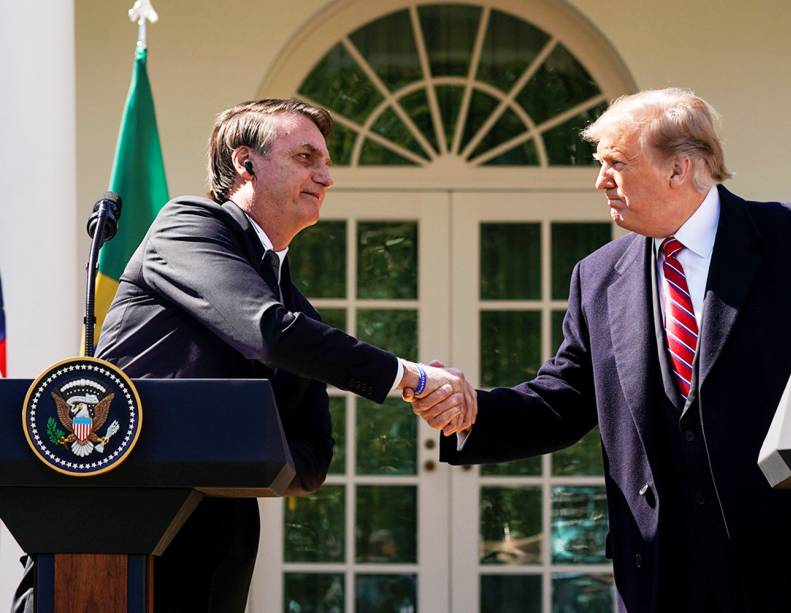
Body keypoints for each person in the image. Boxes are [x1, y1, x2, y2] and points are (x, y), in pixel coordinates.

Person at [410, 88, 791, 612]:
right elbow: (562, 400)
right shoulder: (598, 275)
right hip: (663, 578)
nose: (600, 180)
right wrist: (470, 411)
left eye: (615, 163)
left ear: (680, 169)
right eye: (598, 163)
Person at [10, 99, 474, 613]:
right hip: (112, 530)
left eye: (326, 161)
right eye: (305, 157)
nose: (325, 176)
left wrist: (240, 453)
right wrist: (411, 378)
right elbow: (265, 332)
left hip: (217, 548)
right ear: (245, 162)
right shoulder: (186, 227)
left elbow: (313, 455)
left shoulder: (295, 307)